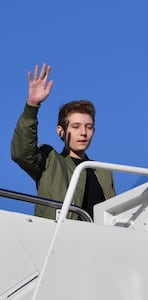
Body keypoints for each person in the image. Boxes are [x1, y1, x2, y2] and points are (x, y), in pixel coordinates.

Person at [11, 63, 115, 221]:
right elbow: (21, 153)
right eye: (76, 126)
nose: (83, 132)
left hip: (99, 242)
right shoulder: (50, 160)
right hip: (60, 239)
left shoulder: (103, 172)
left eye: (89, 127)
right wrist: (32, 106)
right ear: (61, 131)